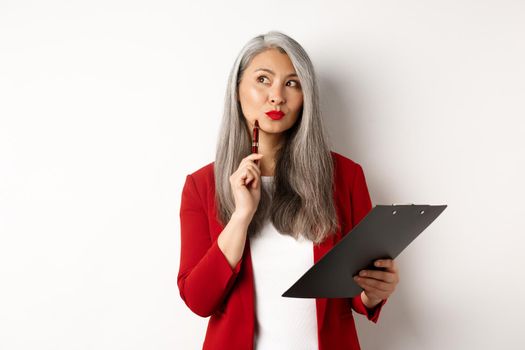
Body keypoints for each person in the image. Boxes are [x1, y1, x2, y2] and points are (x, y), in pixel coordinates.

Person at [178, 30, 400, 350]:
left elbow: (357, 294)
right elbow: (199, 301)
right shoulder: (201, 186)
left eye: (292, 83)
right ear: (237, 89)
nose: (277, 96)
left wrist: (375, 291)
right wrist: (241, 217)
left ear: (306, 97)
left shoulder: (346, 177)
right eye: (263, 80)